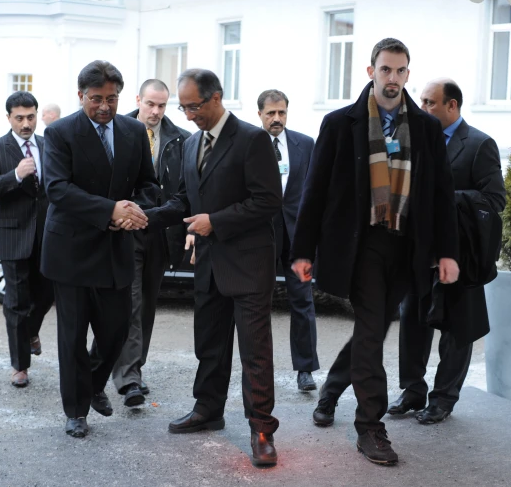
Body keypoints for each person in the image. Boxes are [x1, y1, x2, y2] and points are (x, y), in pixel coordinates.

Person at [292, 38, 459, 466]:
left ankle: (330, 391)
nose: (393, 79)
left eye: (401, 71)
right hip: (360, 244)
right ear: (371, 72)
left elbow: (441, 196)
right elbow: (314, 192)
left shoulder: (424, 128)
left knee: (375, 329)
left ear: (408, 74)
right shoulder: (339, 123)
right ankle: (370, 426)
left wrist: (447, 252)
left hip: (406, 246)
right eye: (385, 70)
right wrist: (301, 251)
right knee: (371, 331)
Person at [146, 69, 282, 467]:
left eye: (194, 106)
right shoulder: (190, 145)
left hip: (248, 263)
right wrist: (146, 216)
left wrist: (216, 223)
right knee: (210, 344)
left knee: (255, 351)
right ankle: (208, 409)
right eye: (183, 107)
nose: (188, 114)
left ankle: (262, 430)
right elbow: (185, 200)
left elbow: (268, 201)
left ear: (216, 97)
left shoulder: (253, 139)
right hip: (207, 263)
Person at [40, 60, 159, 438]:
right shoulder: (60, 132)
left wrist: (134, 210)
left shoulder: (134, 130)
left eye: (112, 98)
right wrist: (110, 209)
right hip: (71, 249)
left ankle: (92, 383)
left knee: (116, 331)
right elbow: (57, 188)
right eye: (96, 99)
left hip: (116, 246)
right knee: (72, 335)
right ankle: (76, 410)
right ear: (80, 96)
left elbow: (148, 184)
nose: (105, 106)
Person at [385, 78, 505, 424]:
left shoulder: (479, 145)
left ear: (452, 106)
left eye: (430, 102)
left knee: (456, 330)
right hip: (419, 253)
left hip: (461, 254)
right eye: (421, 102)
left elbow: (496, 198)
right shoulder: (417, 140)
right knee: (412, 322)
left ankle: (443, 399)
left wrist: (445, 200)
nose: (422, 108)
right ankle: (412, 390)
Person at [92, 79, 191, 407]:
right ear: (138, 99)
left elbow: (183, 191)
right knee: (129, 303)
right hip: (123, 231)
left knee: (147, 304)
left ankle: (134, 367)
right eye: (150, 104)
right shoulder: (116, 132)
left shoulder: (181, 140)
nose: (155, 112)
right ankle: (128, 377)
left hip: (160, 235)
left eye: (162, 106)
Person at [0, 91, 54, 388]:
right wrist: (15, 175)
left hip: (47, 235)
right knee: (16, 301)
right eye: (20, 118)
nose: (26, 123)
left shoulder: (50, 146)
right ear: (9, 118)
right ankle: (20, 365)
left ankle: (31, 331)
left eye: (31, 117)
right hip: (12, 236)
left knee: (47, 293)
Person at [256, 89, 320, 392]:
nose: (277, 118)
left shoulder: (305, 144)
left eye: (281, 112)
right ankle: (259, 368)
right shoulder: (248, 144)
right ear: (260, 115)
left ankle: (305, 369)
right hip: (261, 237)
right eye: (271, 113)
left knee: (303, 301)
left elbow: (317, 188)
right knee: (257, 304)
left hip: (299, 241)